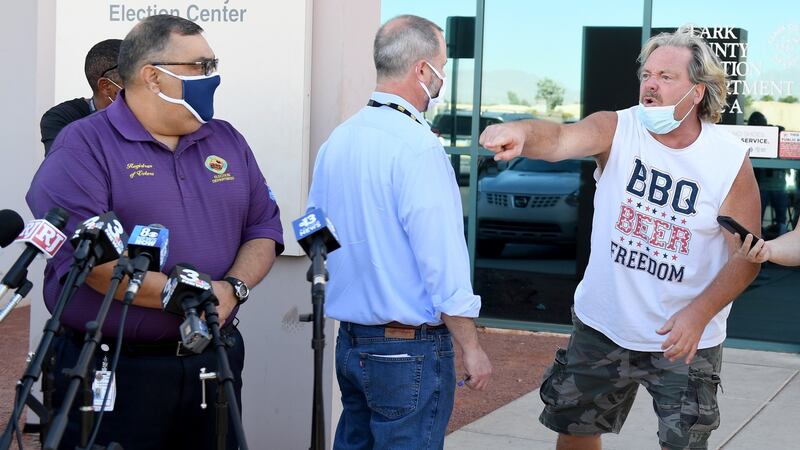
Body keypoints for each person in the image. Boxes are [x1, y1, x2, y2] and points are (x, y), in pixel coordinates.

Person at [480, 26, 760, 450]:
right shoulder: (618, 129)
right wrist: (521, 132)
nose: (651, 84)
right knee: (576, 431)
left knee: (684, 444)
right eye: (648, 74)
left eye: (667, 77)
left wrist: (699, 313)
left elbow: (745, 256)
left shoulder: (727, 158)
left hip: (684, 338)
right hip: (604, 326)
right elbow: (559, 138)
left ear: (698, 91)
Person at [26, 15, 283, 450]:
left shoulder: (227, 140)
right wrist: (197, 296)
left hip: (212, 361)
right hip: (117, 368)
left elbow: (263, 227)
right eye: (200, 66)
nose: (212, 77)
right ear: (152, 76)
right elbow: (96, 265)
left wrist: (233, 288)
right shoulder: (82, 146)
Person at [307, 15, 492, 450]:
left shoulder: (339, 139)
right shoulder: (419, 147)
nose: (442, 79)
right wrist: (472, 346)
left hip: (351, 340)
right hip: (409, 349)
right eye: (442, 67)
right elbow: (442, 261)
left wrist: (360, 272)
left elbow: (313, 231)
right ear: (423, 71)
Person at [40, 38, 124, 155]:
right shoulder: (62, 119)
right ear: (106, 87)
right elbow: (69, 168)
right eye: (135, 82)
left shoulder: (149, 118)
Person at [749, 111, 789, 237]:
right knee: (758, 216)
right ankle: (761, 236)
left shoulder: (774, 135)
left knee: (780, 216)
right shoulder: (757, 138)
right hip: (765, 186)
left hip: (776, 185)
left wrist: (776, 133)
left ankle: (779, 236)